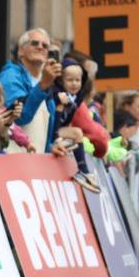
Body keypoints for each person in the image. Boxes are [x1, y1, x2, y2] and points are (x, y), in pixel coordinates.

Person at [0, 28, 62, 154]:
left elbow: (42, 131)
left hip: (34, 160)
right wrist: (43, 85)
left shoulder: (44, 79)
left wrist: (50, 148)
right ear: (21, 51)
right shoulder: (10, 76)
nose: (40, 47)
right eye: (34, 43)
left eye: (45, 46)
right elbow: (19, 118)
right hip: (12, 159)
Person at [50, 59, 101, 192]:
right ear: (61, 80)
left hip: (60, 129)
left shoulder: (77, 97)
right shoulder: (56, 92)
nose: (74, 84)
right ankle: (56, 140)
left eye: (78, 80)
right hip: (49, 131)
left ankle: (83, 170)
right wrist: (57, 99)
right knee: (61, 106)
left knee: (77, 132)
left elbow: (68, 119)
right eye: (70, 80)